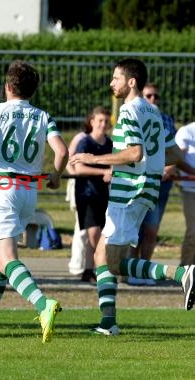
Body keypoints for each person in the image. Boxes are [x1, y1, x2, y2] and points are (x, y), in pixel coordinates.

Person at [70, 58, 195, 336]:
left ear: (131, 82)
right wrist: (155, 165)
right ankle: (108, 323)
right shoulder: (154, 112)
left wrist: (96, 158)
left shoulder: (128, 111)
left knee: (108, 260)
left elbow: (134, 153)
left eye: (115, 78)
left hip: (128, 192)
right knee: (105, 256)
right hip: (146, 189)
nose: (111, 83)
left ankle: (181, 274)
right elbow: (174, 154)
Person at [0, 60, 68, 343]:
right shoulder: (43, 116)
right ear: (33, 89)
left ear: (7, 86)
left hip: (2, 189)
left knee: (7, 258)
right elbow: (61, 150)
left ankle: (43, 304)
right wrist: (55, 175)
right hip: (28, 193)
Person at [128, 83, 177, 285]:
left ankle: (145, 270)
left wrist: (166, 168)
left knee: (151, 229)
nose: (153, 100)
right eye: (149, 95)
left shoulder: (164, 119)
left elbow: (174, 152)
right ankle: (131, 270)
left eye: (156, 96)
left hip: (158, 183)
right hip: (137, 182)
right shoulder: (132, 115)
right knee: (134, 230)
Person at [72, 106, 113, 285]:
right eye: (100, 121)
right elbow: (79, 168)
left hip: (103, 194)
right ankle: (95, 269)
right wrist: (102, 172)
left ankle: (92, 270)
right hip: (87, 193)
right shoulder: (85, 142)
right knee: (93, 233)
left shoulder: (109, 143)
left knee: (100, 234)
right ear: (92, 122)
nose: (103, 124)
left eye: (106, 121)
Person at [65, 118, 92, 281]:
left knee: (93, 229)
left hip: (95, 187)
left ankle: (89, 264)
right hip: (80, 185)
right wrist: (76, 174)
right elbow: (68, 159)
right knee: (81, 227)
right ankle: (77, 264)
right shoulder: (81, 137)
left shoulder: (104, 140)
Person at [175, 122, 195, 266]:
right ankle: (185, 271)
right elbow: (178, 160)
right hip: (191, 190)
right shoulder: (186, 131)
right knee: (193, 233)